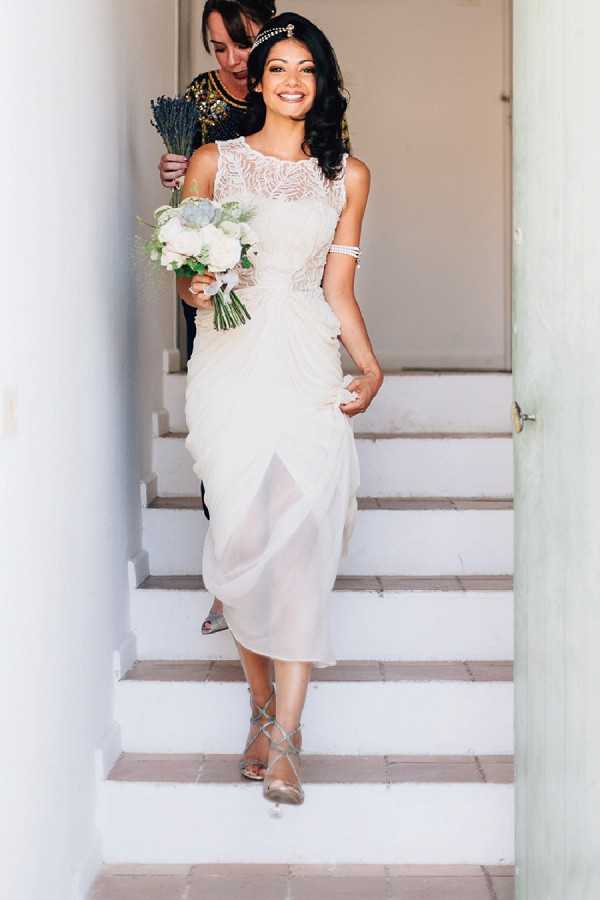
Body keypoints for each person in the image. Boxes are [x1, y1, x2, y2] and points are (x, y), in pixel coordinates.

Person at [178, 12, 383, 806]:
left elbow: (339, 287)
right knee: (242, 536)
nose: (293, 80)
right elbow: (189, 270)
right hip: (230, 360)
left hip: (303, 359)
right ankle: (259, 704)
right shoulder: (212, 163)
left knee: (299, 544)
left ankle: (288, 735)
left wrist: (368, 366)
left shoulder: (349, 175)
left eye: (308, 68)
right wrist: (195, 285)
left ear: (323, 83)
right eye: (278, 68)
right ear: (255, 82)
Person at [160, 1, 277, 637]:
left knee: (272, 430)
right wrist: (174, 175)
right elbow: (189, 203)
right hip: (212, 279)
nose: (233, 62)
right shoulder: (197, 100)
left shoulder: (294, 82)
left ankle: (271, 568)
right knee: (218, 433)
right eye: (218, 49)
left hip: (278, 283)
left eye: (244, 44)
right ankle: (229, 579)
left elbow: (331, 175)